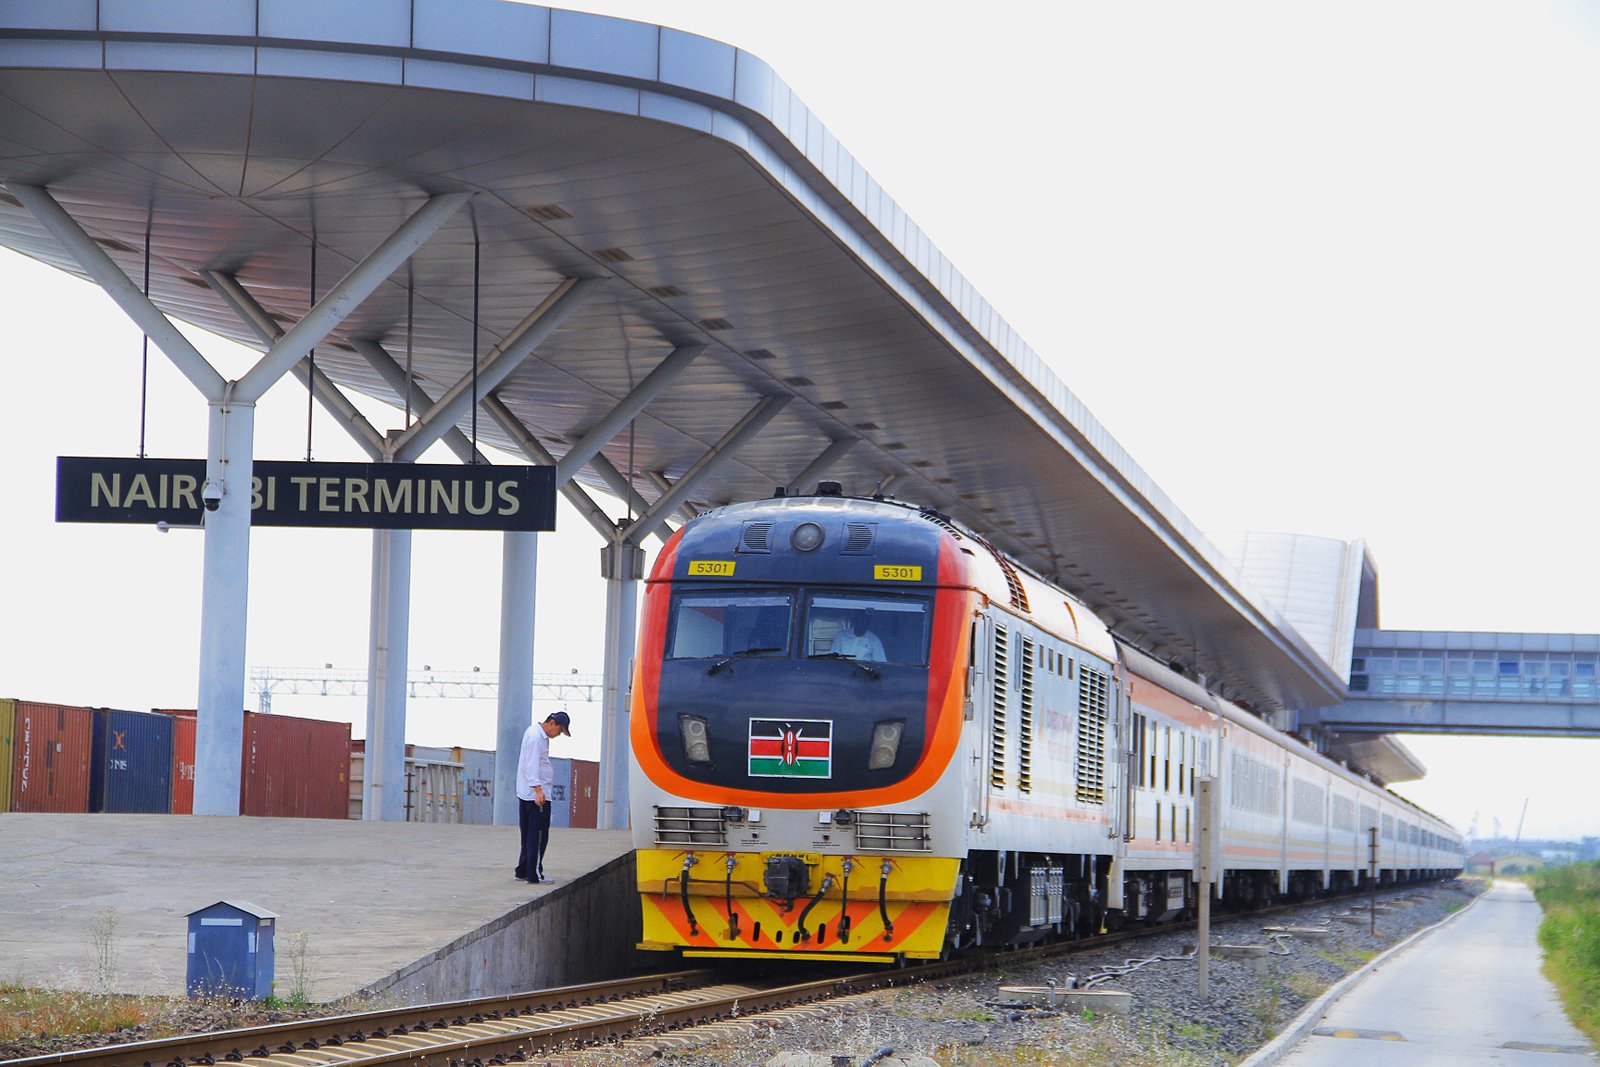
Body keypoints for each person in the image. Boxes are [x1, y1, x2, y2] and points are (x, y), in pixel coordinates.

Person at [515, 711, 571, 885]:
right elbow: (530, 766)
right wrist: (539, 791)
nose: (558, 735)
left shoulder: (536, 734)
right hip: (536, 796)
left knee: (527, 834)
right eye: (560, 731)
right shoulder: (535, 738)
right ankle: (534, 874)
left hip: (528, 793)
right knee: (538, 836)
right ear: (552, 723)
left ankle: (523, 869)